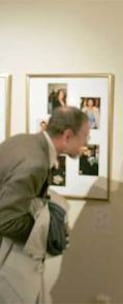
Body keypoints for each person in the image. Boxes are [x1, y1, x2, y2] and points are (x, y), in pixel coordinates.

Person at [0, 106, 90, 303]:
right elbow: (5, 220)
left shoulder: (23, 140)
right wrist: (48, 233)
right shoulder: (36, 163)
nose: (87, 143)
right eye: (84, 136)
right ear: (67, 135)